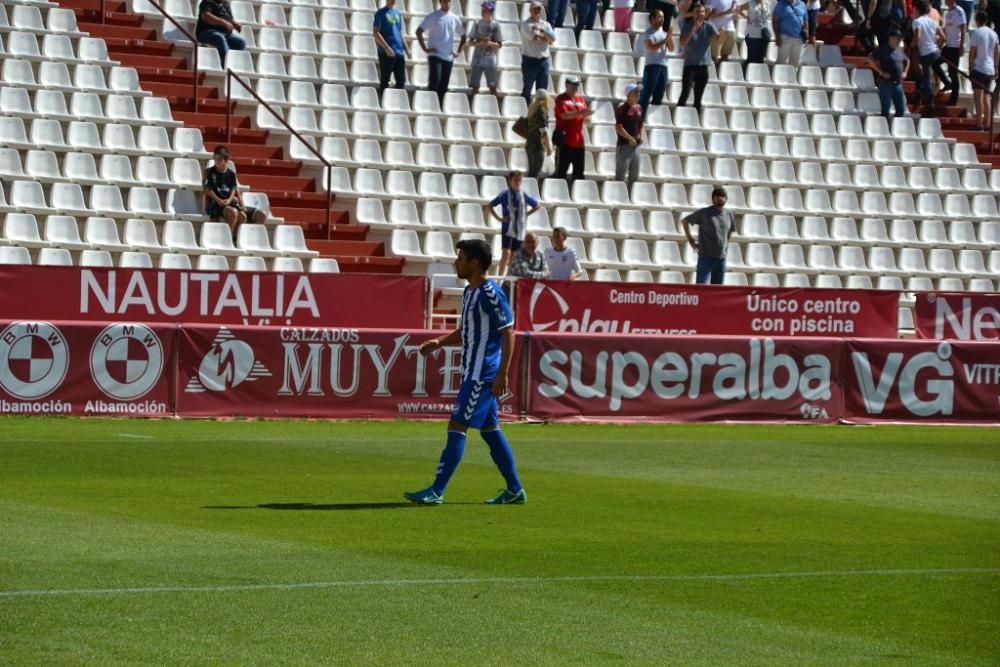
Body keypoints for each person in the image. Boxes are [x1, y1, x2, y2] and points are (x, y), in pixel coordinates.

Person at [404, 239, 525, 506]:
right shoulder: (470, 292)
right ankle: (515, 489)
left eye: (460, 258)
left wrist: (502, 374)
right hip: (472, 371)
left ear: (474, 263)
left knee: (457, 425)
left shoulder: (491, 294)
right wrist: (439, 342)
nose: (455, 262)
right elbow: (467, 331)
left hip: (482, 375)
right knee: (491, 430)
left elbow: (509, 332)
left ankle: (436, 490)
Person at [485, 171, 543, 276]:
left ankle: (509, 277)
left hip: (519, 230)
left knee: (514, 255)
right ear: (510, 181)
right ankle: (500, 277)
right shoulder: (505, 194)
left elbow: (537, 205)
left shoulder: (523, 194)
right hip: (507, 229)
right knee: (506, 253)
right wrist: (499, 218)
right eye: (515, 180)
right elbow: (490, 205)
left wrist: (526, 214)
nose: (517, 182)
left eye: (519, 180)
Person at [203, 146, 266, 234]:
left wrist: (231, 200)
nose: (216, 161)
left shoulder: (231, 174)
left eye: (219, 159)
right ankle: (228, 239)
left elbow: (233, 189)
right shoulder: (209, 172)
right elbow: (206, 189)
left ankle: (241, 239)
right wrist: (219, 200)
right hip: (216, 204)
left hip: (230, 202)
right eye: (215, 158)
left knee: (260, 214)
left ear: (226, 160)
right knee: (233, 212)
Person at [681, 186, 736, 285]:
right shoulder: (704, 212)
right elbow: (685, 221)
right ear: (713, 199)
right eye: (717, 196)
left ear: (726, 199)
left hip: (721, 258)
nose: (720, 198)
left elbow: (730, 231)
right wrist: (691, 241)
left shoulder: (729, 214)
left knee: (717, 289)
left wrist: (726, 245)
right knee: (701, 288)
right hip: (706, 257)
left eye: (722, 196)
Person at [416, 0, 467, 104]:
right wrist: (425, 49)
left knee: (444, 86)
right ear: (440, 2)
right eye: (445, 1)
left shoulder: (454, 18)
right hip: (435, 55)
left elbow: (464, 36)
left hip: (448, 57)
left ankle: (438, 108)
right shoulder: (433, 16)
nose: (447, 3)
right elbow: (419, 31)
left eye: (449, 1)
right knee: (434, 82)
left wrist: (459, 51)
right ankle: (429, 106)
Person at [678, 3, 719, 112]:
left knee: (698, 98)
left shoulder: (709, 25)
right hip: (690, 66)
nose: (699, 14)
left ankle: (695, 120)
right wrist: (692, 30)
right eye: (697, 12)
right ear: (693, 14)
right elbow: (682, 42)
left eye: (702, 12)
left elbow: (718, 39)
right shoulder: (687, 25)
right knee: (685, 94)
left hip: (703, 66)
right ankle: (678, 115)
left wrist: (721, 35)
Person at [912, 0, 951, 114]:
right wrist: (937, 46)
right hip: (934, 51)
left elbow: (917, 37)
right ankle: (946, 82)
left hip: (925, 52)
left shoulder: (917, 22)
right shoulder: (932, 22)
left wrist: (911, 46)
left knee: (926, 77)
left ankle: (929, 101)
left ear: (918, 10)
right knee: (932, 69)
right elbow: (943, 37)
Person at [554, 77, 593, 184]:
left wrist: (587, 115)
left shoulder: (581, 100)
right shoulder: (561, 99)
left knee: (579, 174)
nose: (576, 87)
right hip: (565, 142)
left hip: (579, 143)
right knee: (561, 173)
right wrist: (581, 113)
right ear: (566, 85)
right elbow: (564, 115)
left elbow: (587, 119)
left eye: (577, 85)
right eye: (573, 84)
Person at [867, 28, 910, 117]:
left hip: (898, 84)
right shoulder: (883, 50)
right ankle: (884, 127)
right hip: (886, 83)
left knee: (900, 110)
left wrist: (905, 72)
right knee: (885, 109)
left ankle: (895, 127)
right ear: (891, 38)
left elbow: (907, 61)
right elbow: (870, 59)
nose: (899, 40)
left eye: (900, 38)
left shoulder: (899, 50)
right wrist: (881, 72)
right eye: (897, 38)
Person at [969, 11, 1000, 130]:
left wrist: (970, 65)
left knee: (978, 97)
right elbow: (997, 52)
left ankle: (979, 124)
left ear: (977, 20)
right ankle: (988, 124)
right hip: (990, 68)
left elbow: (972, 51)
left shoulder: (977, 33)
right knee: (987, 97)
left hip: (979, 67)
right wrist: (996, 67)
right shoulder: (994, 34)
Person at [638, 10, 675, 111]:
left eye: (663, 17)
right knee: (646, 94)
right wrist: (666, 39)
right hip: (651, 66)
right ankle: (640, 116)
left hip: (663, 66)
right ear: (653, 19)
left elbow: (671, 48)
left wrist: (669, 37)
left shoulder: (664, 34)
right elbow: (653, 47)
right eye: (659, 17)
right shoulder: (648, 33)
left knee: (659, 93)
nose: (662, 19)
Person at [521, 2, 556, 103]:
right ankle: (525, 112)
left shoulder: (546, 24)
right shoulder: (526, 24)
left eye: (539, 9)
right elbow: (535, 39)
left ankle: (539, 115)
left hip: (543, 61)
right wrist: (546, 38)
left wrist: (541, 30)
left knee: (542, 91)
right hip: (529, 60)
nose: (537, 11)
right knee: (527, 89)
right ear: (530, 10)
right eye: (535, 9)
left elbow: (553, 38)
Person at [373, 0, 410, 95]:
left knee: (401, 81)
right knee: (385, 80)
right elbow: (375, 32)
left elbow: (399, 32)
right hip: (387, 52)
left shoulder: (397, 13)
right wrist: (386, 47)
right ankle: (383, 102)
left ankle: (397, 102)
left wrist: (407, 49)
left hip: (399, 51)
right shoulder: (380, 13)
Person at [467, 1, 503, 97]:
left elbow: (499, 45)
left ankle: (494, 108)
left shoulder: (496, 25)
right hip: (477, 59)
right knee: (475, 86)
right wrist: (480, 43)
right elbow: (470, 42)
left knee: (493, 86)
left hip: (490, 59)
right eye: (482, 9)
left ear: (490, 11)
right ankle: (473, 108)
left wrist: (489, 43)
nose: (482, 11)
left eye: (485, 9)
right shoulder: (477, 23)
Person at [615, 83, 646, 186]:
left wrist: (641, 137)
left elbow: (641, 124)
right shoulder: (622, 108)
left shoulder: (639, 108)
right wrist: (629, 138)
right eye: (635, 92)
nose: (638, 94)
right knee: (621, 175)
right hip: (624, 146)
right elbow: (618, 127)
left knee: (634, 175)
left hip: (635, 146)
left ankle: (631, 197)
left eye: (638, 92)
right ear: (628, 94)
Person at [941, 0, 966, 105]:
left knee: (953, 73)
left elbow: (963, 29)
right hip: (948, 46)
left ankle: (954, 99)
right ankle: (947, 83)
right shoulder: (948, 13)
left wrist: (961, 46)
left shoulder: (959, 11)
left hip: (955, 46)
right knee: (935, 63)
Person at [525, 89, 554, 178]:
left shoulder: (532, 109)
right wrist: (549, 146)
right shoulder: (542, 109)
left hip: (530, 144)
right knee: (535, 174)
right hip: (537, 145)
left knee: (531, 173)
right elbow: (543, 129)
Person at [773, 0, 807, 65]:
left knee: (795, 63)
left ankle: (793, 75)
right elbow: (775, 21)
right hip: (784, 37)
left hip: (799, 38)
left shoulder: (802, 4)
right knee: (781, 62)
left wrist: (806, 35)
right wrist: (777, 37)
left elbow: (805, 20)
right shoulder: (781, 4)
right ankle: (778, 75)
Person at [742, 0, 773, 64]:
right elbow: (738, 8)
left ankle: (758, 73)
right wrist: (746, 17)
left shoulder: (767, 3)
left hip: (763, 35)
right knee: (752, 58)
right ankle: (747, 72)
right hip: (752, 35)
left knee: (760, 59)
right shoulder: (750, 3)